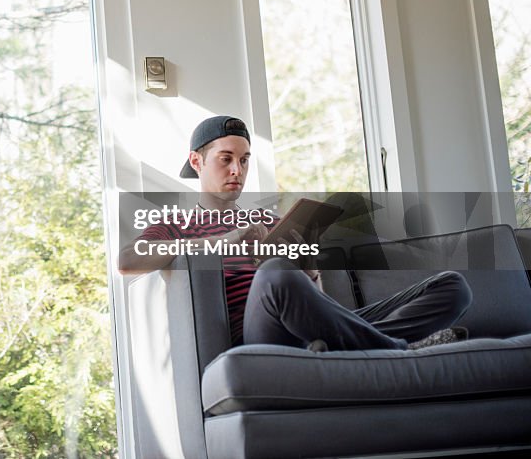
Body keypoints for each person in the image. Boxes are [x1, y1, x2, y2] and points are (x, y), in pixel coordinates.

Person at [117, 115, 473, 351]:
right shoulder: (177, 224)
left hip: (319, 327)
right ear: (197, 162)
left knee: (452, 286)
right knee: (274, 273)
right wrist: (223, 241)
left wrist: (308, 264)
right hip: (259, 335)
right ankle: (397, 349)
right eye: (225, 159)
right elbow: (127, 260)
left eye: (244, 160)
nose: (237, 170)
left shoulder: (268, 220)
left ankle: (360, 347)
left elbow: (315, 297)